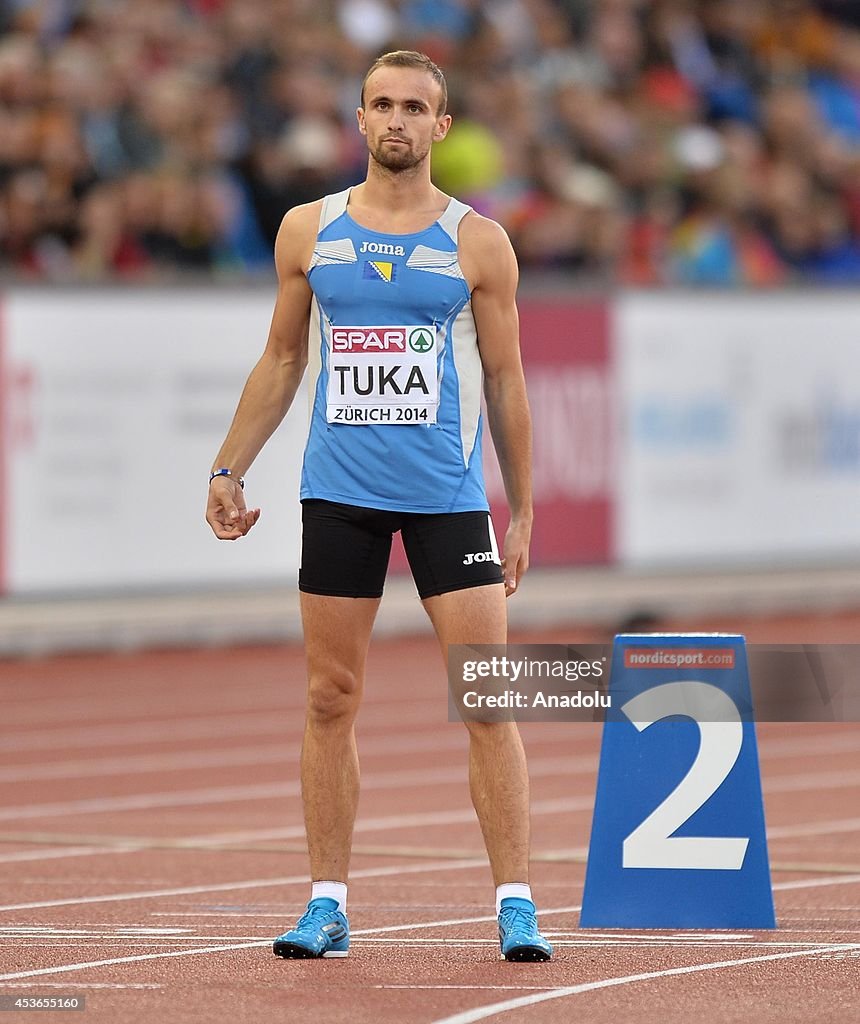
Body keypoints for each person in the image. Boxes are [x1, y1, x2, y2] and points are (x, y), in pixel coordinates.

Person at [205, 50, 552, 963]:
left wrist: (520, 510)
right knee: (330, 696)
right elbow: (282, 362)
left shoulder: (479, 243)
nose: (397, 119)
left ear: (442, 127)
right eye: (382, 104)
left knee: (486, 697)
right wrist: (228, 466)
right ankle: (326, 903)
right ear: (359, 120)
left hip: (445, 498)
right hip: (340, 495)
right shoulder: (307, 232)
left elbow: (509, 381)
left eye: (416, 107)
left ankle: (515, 902)